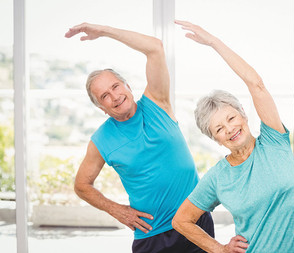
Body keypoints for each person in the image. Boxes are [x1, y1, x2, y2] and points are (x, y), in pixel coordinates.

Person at [64, 22, 214, 252]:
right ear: (101, 108)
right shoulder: (101, 140)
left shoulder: (157, 102)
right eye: (104, 96)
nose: (114, 96)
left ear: (127, 85)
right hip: (153, 234)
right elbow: (81, 185)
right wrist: (117, 210)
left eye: (115, 86)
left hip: (196, 221)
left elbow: (154, 47)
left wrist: (104, 31)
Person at [172, 21, 294, 253]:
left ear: (243, 114)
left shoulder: (274, 141)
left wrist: (213, 42)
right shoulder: (218, 177)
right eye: (219, 129)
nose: (229, 129)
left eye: (231, 118)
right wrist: (219, 249)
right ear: (215, 139)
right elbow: (181, 220)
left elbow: (256, 84)